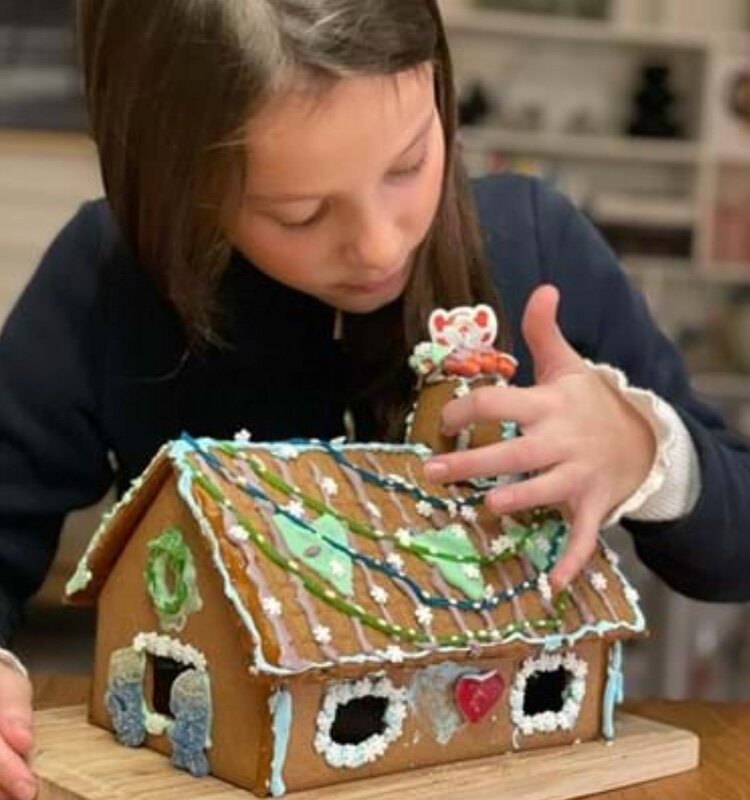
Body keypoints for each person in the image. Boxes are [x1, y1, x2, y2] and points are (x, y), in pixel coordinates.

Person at [0, 1, 748, 796]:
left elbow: (736, 543)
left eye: (409, 163)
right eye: (299, 213)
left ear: (441, 91)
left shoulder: (536, 244)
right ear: (176, 189)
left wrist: (645, 452)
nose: (382, 245)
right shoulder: (108, 281)